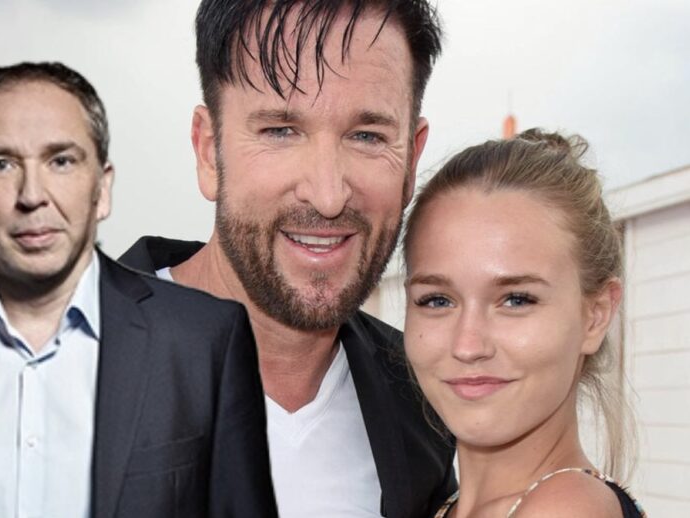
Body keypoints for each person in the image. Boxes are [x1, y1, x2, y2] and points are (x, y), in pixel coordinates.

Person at [119, 1, 457, 516]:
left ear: (411, 160)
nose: (327, 195)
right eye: (280, 130)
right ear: (209, 152)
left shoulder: (426, 403)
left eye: (367, 136)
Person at [0, 62, 277, 518]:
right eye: (1, 164)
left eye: (61, 161)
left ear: (103, 188)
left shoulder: (204, 340)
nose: (32, 194)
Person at [402, 129, 646, 517]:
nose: (467, 345)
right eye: (437, 300)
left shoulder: (566, 509)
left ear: (596, 315)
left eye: (516, 300)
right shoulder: (448, 505)